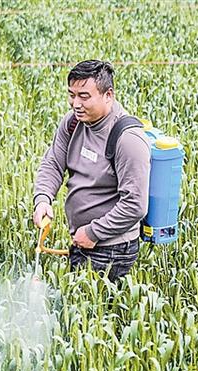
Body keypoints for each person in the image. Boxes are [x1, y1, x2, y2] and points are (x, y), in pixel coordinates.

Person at [32, 60, 151, 281]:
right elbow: (54, 163)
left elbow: (135, 205)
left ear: (108, 95)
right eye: (71, 95)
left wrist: (93, 233)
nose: (75, 103)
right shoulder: (73, 123)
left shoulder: (128, 139)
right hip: (82, 241)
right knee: (74, 310)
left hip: (112, 250)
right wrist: (43, 199)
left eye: (84, 96)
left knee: (94, 313)